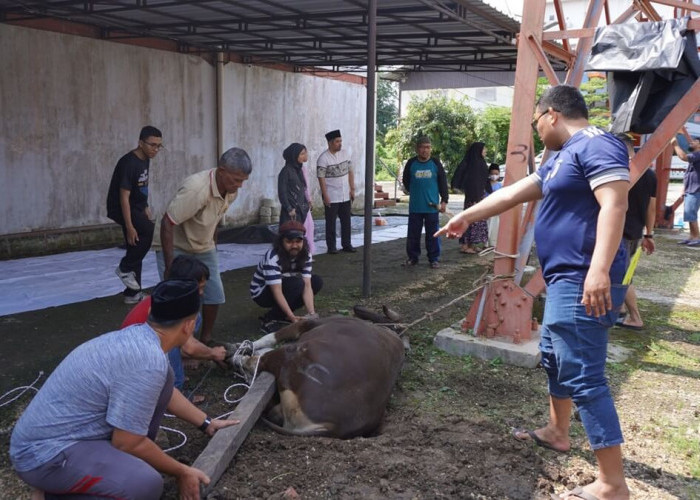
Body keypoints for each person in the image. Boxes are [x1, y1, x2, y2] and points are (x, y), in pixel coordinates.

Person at [437, 85, 630, 500]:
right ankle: (558, 431)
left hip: (584, 278)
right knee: (555, 360)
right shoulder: (560, 158)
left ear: (552, 114)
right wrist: (466, 215)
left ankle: (613, 484)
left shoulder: (597, 145)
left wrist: (598, 270)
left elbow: (615, 204)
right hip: (563, 278)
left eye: (534, 122)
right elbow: (514, 192)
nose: (536, 130)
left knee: (584, 374)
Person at [10, 280, 239, 499]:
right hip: (44, 455)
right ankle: (49, 495)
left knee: (166, 378)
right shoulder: (147, 361)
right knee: (145, 485)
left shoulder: (140, 339)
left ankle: (113, 467)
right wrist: (182, 471)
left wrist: (206, 423)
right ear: (189, 325)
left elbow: (165, 394)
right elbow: (127, 442)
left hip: (62, 437)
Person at [154, 147, 253, 345]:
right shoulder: (196, 190)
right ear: (222, 171)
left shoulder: (230, 189)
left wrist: (212, 246)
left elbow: (215, 218)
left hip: (203, 245)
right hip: (176, 243)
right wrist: (170, 267)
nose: (239, 186)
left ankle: (205, 339)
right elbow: (167, 222)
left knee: (214, 294)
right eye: (236, 180)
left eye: (243, 181)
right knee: (180, 296)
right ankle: (181, 345)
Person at [122, 255, 227, 394]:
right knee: (171, 347)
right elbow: (189, 347)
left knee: (195, 319)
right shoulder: (177, 305)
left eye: (203, 288)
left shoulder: (167, 296)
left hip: (140, 347)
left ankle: (175, 364)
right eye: (199, 288)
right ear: (186, 285)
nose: (201, 293)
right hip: (135, 356)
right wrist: (213, 353)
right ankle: (173, 390)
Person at [106, 125, 162, 304]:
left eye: (159, 146)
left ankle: (132, 294)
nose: (156, 149)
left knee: (135, 243)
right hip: (122, 207)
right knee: (148, 232)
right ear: (140, 143)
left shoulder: (146, 157)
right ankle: (125, 267)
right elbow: (124, 196)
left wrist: (145, 205)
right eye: (152, 145)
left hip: (136, 206)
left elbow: (141, 185)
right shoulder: (128, 163)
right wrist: (129, 226)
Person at [615, 133, 657, 331]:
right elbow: (652, 207)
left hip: (619, 232)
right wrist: (648, 234)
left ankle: (635, 317)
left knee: (623, 277)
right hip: (636, 232)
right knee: (622, 273)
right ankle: (621, 310)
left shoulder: (619, 172)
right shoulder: (649, 173)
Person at [250, 220, 323, 325]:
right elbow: (276, 291)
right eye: (289, 241)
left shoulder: (306, 255)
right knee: (297, 284)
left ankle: (283, 314)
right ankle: (270, 318)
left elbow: (307, 285)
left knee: (316, 282)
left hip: (285, 284)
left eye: (298, 241)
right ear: (281, 242)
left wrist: (312, 314)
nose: (294, 245)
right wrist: (292, 317)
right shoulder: (273, 258)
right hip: (262, 292)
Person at [401, 136, 449, 268]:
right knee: (413, 235)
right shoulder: (411, 163)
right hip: (415, 207)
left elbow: (443, 183)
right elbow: (406, 181)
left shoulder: (435, 163)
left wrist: (444, 201)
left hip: (432, 207)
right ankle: (412, 258)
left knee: (433, 235)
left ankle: (434, 259)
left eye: (428, 147)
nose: (425, 150)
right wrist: (415, 192)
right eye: (422, 147)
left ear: (430, 149)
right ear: (417, 149)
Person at [317, 129, 356, 254]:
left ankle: (347, 244)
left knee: (346, 221)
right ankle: (332, 247)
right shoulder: (323, 158)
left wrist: (352, 189)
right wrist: (325, 195)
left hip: (345, 194)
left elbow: (350, 172)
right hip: (332, 195)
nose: (340, 144)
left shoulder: (345, 154)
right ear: (330, 143)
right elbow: (321, 178)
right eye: (337, 141)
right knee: (331, 223)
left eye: (341, 141)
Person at [451, 142, 492, 254]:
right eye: (484, 149)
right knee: (470, 221)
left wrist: (490, 193)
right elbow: (462, 177)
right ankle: (465, 246)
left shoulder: (481, 163)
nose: (485, 151)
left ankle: (472, 245)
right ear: (478, 150)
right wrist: (474, 197)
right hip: (473, 199)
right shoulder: (470, 163)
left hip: (480, 197)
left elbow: (485, 180)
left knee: (477, 222)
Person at [670, 135, 700, 246]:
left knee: (691, 214)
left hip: (696, 189)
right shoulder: (696, 157)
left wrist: (675, 144)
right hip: (691, 189)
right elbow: (689, 175)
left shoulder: (698, 154)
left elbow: (683, 157)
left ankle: (696, 237)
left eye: (695, 141)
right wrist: (684, 189)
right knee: (688, 214)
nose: (691, 142)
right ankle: (692, 236)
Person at [278, 143, 311, 225]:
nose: (305, 155)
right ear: (294, 156)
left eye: (305, 153)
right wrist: (289, 208)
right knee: (291, 235)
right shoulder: (286, 171)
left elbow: (302, 188)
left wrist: (307, 203)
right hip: (291, 212)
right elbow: (282, 192)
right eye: (302, 154)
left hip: (301, 210)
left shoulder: (299, 170)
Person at [487, 163, 503, 247]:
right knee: (487, 226)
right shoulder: (486, 185)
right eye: (492, 174)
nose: (494, 176)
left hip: (496, 209)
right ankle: (485, 243)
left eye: (496, 174)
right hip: (486, 209)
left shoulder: (500, 185)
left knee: (495, 227)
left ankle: (493, 243)